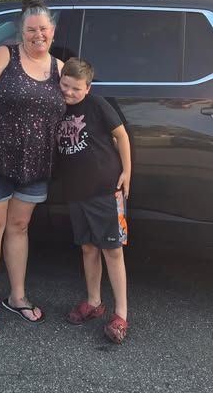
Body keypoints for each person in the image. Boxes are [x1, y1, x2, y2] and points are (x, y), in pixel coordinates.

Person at [0, 0, 66, 334]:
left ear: (53, 31)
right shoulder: (3, 56)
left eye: (43, 29)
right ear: (21, 32)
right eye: (31, 29)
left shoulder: (61, 69)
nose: (38, 35)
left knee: (19, 228)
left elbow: (80, 108)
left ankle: (17, 296)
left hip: (34, 167)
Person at [56, 57, 132, 344]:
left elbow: (121, 136)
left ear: (87, 88)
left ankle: (121, 314)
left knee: (112, 250)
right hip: (76, 192)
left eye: (76, 88)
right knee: (88, 248)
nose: (69, 92)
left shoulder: (97, 105)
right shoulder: (57, 106)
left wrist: (127, 171)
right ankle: (94, 301)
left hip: (105, 190)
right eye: (65, 85)